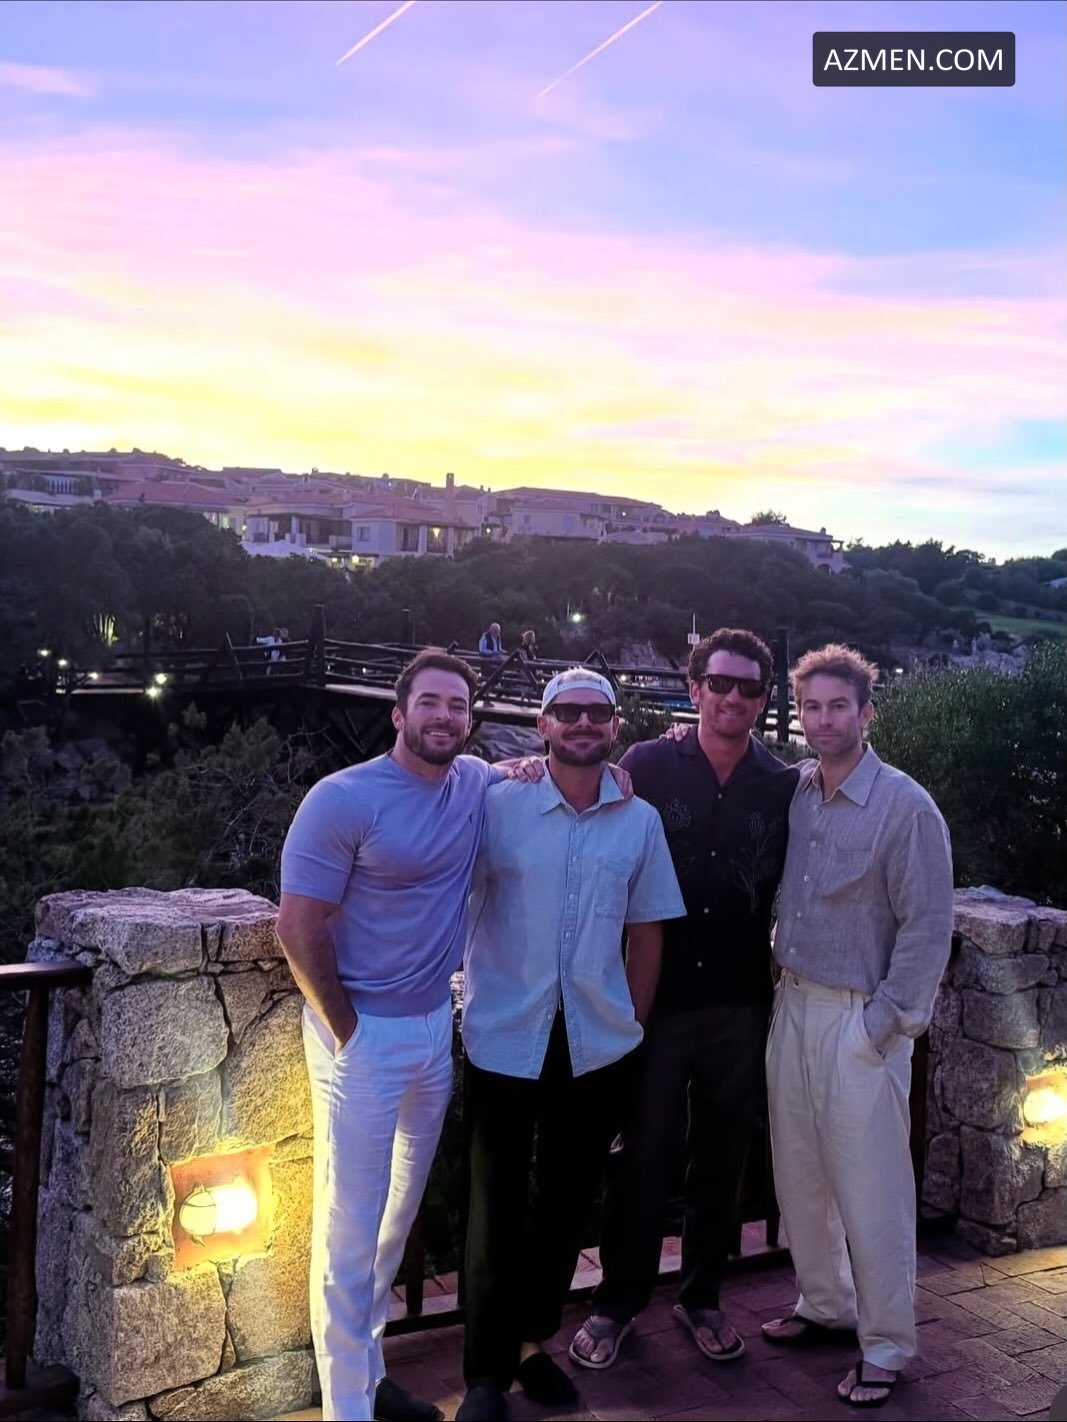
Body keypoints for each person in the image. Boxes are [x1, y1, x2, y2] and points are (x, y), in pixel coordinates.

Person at [276, 650, 507, 1422]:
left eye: (457, 705)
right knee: (349, 1226)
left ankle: (370, 1377)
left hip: (432, 1030)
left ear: (469, 721)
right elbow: (297, 926)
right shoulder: (342, 798)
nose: (444, 716)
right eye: (430, 702)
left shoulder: (474, 783)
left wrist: (620, 770)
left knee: (394, 1220)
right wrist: (346, 1030)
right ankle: (345, 1407)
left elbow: (541, 771)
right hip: (362, 1037)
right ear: (399, 713)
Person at [456, 669, 686, 1422]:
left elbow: (646, 933)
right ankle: (485, 1374)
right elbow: (439, 807)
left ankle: (530, 1343)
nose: (584, 723)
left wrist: (632, 1028)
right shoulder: (497, 802)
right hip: (504, 1034)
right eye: (568, 712)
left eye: (597, 712)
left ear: (614, 726)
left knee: (562, 1206)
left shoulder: (639, 821)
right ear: (544, 724)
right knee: (494, 1206)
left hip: (596, 1044)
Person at [570, 629, 798, 1372]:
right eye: (719, 683)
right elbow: (575, 789)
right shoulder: (646, 764)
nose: (733, 697)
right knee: (643, 1155)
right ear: (694, 688)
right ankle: (617, 1303)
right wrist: (515, 767)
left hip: (739, 1001)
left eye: (749, 687)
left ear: (763, 700)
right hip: (654, 1000)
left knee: (722, 1157)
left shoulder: (782, 784)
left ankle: (702, 1297)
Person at [761, 644, 953, 1409]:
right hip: (791, 1005)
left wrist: (881, 1026)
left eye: (837, 706)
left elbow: (928, 924)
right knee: (799, 1175)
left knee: (872, 1194)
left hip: (856, 1019)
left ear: (865, 713)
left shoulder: (906, 806)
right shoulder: (798, 791)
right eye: (810, 707)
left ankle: (885, 1345)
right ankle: (825, 1305)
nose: (822, 720)